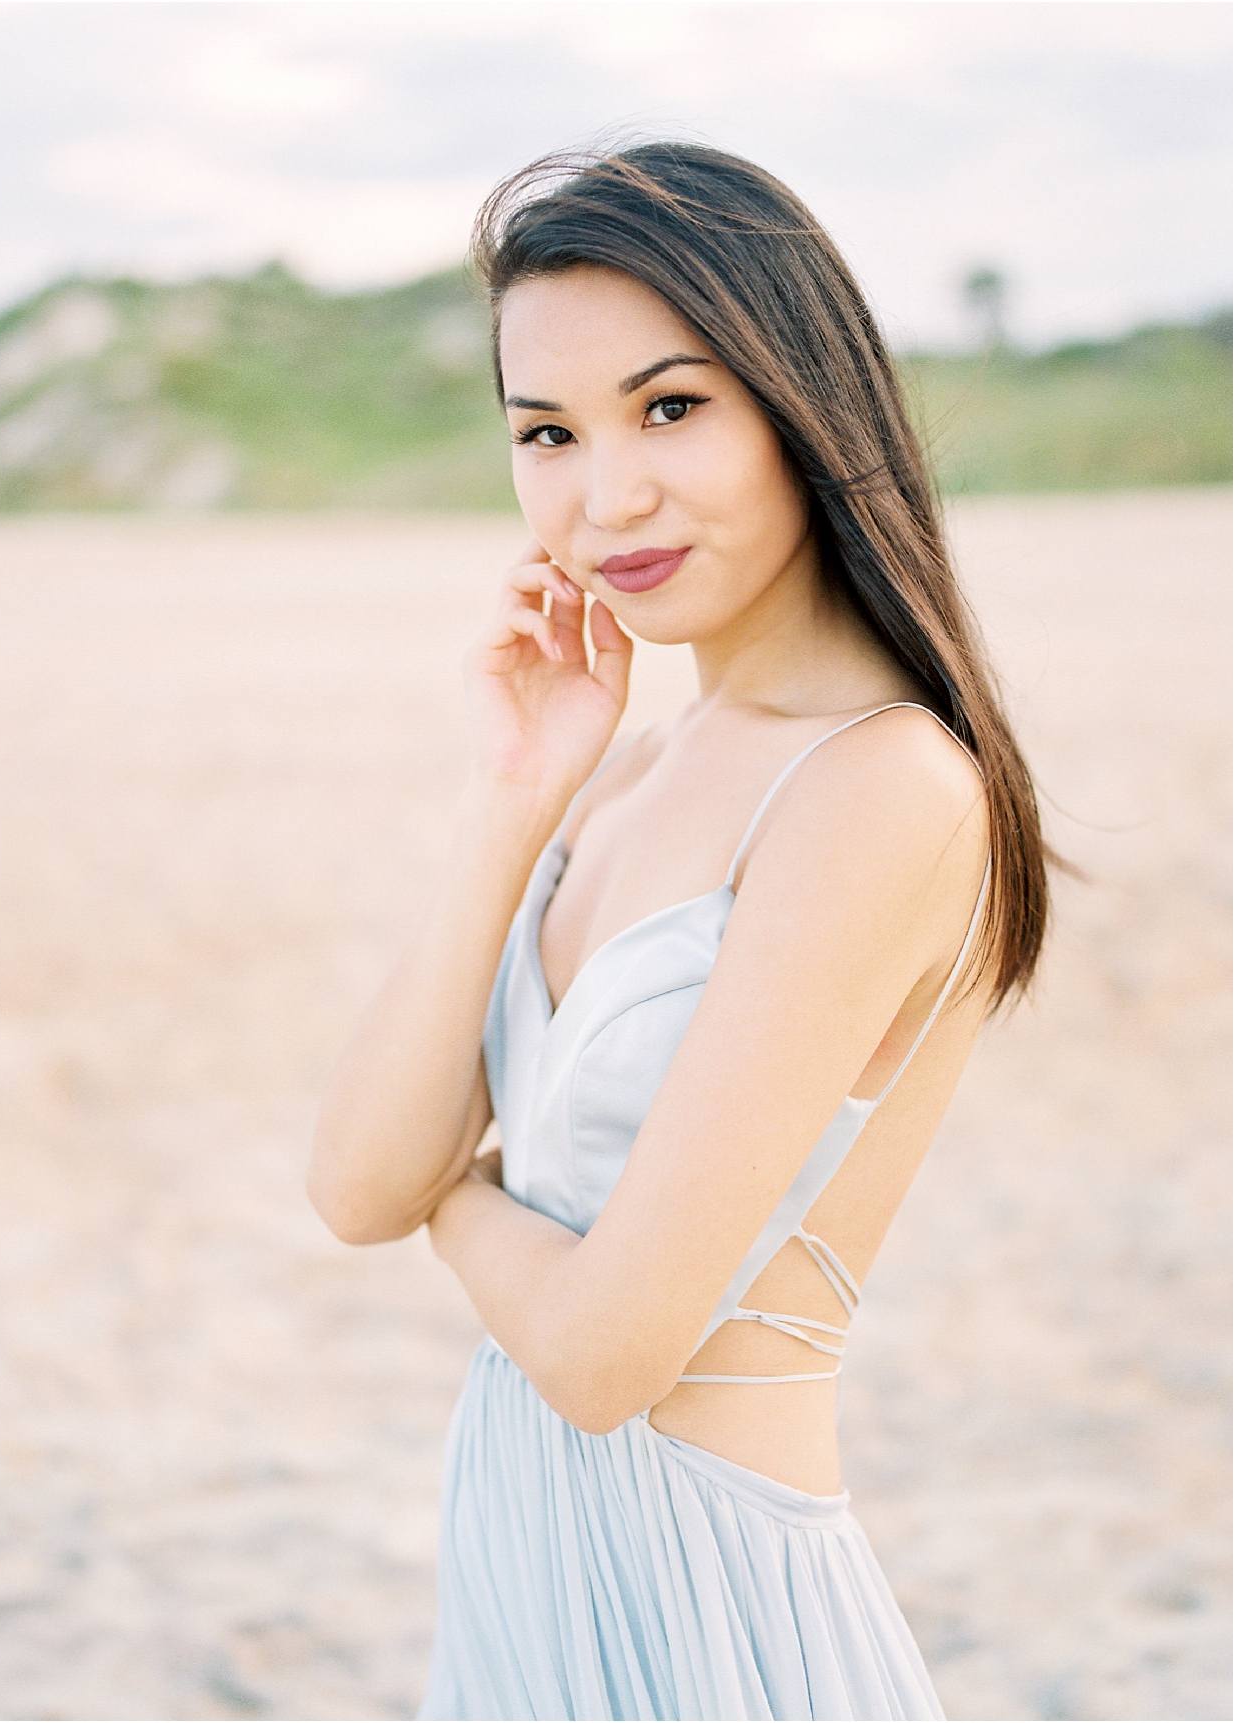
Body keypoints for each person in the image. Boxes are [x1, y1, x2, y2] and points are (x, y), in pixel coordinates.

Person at [308, 142, 1048, 1722]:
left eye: (669, 407)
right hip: (522, 1575)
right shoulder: (624, 768)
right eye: (546, 435)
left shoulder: (881, 787)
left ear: (800, 399)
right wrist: (515, 799)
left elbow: (597, 1356)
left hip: (718, 1614)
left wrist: (461, 1197)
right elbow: (359, 1181)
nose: (605, 495)